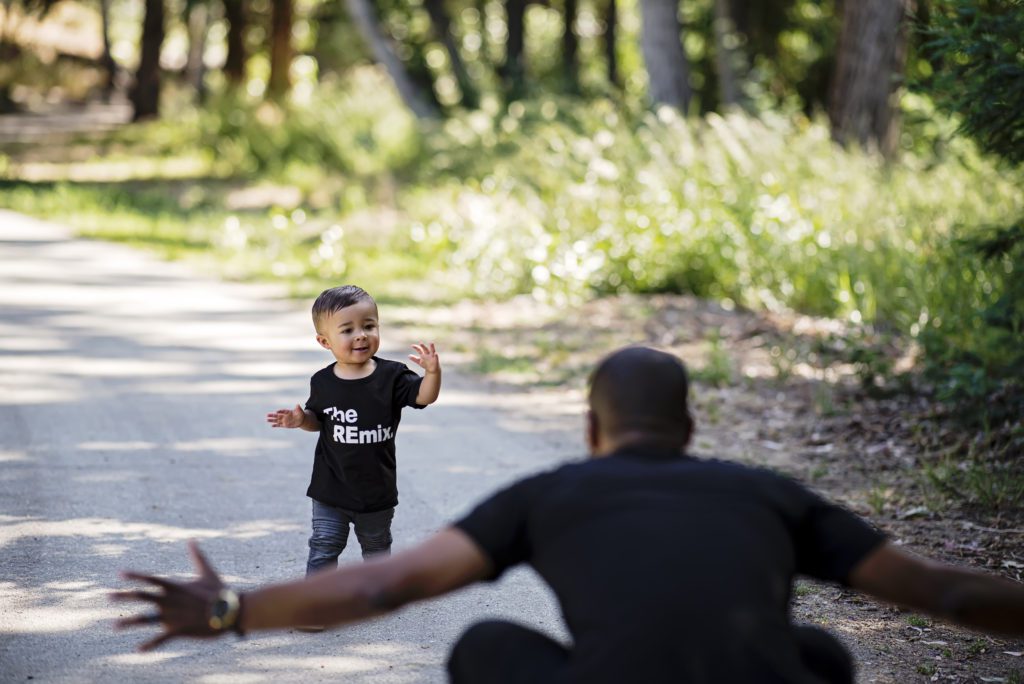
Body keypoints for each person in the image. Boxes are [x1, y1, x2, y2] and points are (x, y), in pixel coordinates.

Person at [114, 347, 1024, 682]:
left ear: (591, 427)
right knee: (825, 655)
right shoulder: (770, 494)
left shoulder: (548, 495)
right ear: (691, 426)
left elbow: (387, 584)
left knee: (482, 647)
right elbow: (940, 590)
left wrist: (232, 611)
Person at [265, 285, 441, 576]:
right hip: (330, 488)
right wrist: (301, 420)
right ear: (325, 341)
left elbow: (424, 397)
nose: (361, 334)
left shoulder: (392, 376)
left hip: (375, 491)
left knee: (376, 548)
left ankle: (376, 594)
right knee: (324, 544)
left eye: (369, 326)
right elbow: (318, 420)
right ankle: (315, 604)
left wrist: (432, 373)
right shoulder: (322, 381)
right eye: (347, 330)